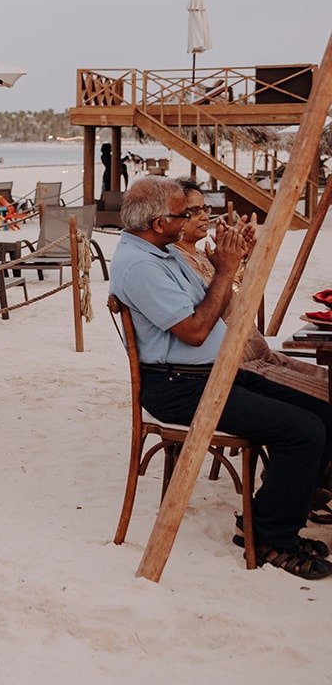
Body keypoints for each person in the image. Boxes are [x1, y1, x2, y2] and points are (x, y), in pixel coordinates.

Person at [110, 176, 332, 578]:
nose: (191, 219)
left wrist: (232, 260)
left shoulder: (164, 251)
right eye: (184, 214)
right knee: (304, 431)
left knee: (323, 411)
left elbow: (216, 298)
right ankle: (270, 537)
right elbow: (195, 332)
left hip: (213, 374)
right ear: (160, 222)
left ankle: (267, 516)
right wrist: (225, 271)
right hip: (179, 386)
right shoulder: (140, 265)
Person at [171, 181, 329, 404]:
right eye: (193, 211)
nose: (204, 217)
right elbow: (215, 309)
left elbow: (239, 298)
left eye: (204, 209)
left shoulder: (202, 255)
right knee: (323, 395)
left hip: (258, 351)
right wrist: (230, 265)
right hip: (239, 363)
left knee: (325, 380)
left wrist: (243, 256)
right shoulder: (177, 263)